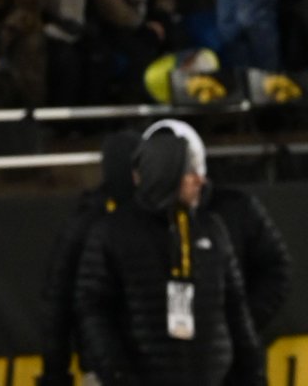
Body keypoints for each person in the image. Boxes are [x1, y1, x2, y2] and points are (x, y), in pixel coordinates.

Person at [74, 132, 266, 386]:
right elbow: (92, 308)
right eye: (189, 172)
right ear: (166, 173)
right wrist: (118, 375)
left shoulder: (211, 228)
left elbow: (235, 307)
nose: (200, 179)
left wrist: (253, 372)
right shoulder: (112, 232)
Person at [141, 119, 292, 334]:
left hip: (224, 349)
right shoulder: (130, 223)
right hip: (157, 348)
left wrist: (240, 327)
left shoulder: (236, 210)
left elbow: (276, 271)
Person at [37, 130, 141, 386]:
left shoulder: (157, 218)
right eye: (139, 166)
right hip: (102, 371)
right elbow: (57, 304)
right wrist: (55, 374)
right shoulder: (85, 224)